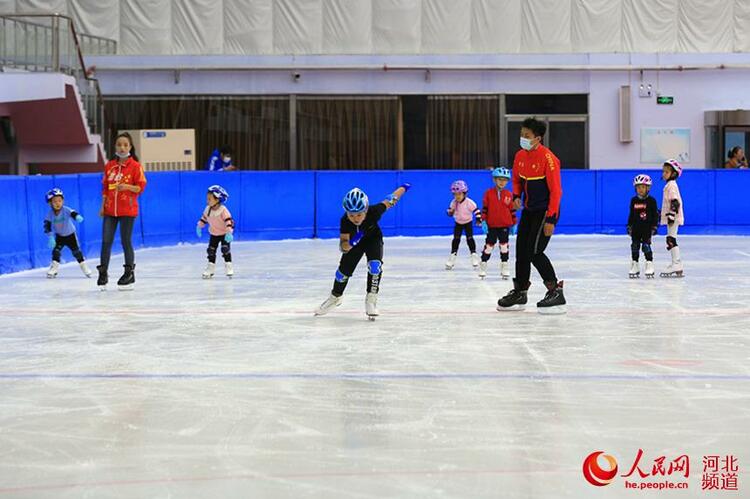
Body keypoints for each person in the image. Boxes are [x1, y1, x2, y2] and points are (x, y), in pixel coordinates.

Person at [497, 117, 565, 314]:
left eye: (527, 136)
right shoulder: (519, 156)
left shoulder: (549, 159)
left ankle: (556, 291)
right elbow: (517, 180)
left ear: (538, 138)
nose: (523, 138)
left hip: (545, 211)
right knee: (522, 252)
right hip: (529, 209)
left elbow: (556, 191)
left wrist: (551, 219)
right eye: (521, 135)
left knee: (535, 251)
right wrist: (517, 196)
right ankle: (520, 291)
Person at [314, 183, 411, 320]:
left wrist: (404, 187)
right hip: (355, 245)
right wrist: (350, 244)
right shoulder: (345, 221)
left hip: (373, 239)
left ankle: (371, 299)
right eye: (351, 215)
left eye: (359, 214)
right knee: (342, 274)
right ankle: (335, 297)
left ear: (365, 210)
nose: (356, 218)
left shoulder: (375, 211)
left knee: (375, 266)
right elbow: (343, 245)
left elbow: (391, 199)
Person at [98, 132, 147, 290]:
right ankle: (103, 273)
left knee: (126, 241)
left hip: (128, 209)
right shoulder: (109, 166)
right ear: (115, 147)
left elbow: (140, 187)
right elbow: (105, 188)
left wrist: (126, 187)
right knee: (106, 242)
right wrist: (102, 206)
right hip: (110, 210)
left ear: (130, 147)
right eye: (119, 144)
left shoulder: (135, 167)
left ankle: (129, 273)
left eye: (125, 144)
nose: (122, 147)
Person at [43, 188, 91, 278]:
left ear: (63, 201)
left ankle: (85, 267)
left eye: (60, 201)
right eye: (55, 202)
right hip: (60, 236)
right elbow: (47, 226)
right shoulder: (50, 214)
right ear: (50, 203)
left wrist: (77, 217)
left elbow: (73, 213)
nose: (58, 203)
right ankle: (54, 269)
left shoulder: (65, 210)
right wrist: (50, 237)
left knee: (76, 252)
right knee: (56, 252)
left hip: (70, 235)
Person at [479, 167, 516, 280]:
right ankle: (483, 264)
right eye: (499, 179)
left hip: (504, 225)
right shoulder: (488, 193)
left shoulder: (509, 194)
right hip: (492, 225)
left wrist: (514, 223)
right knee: (489, 246)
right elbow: (484, 209)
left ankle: (504, 266)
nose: (502, 182)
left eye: (504, 180)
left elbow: (512, 209)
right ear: (494, 180)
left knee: (504, 246)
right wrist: (484, 221)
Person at [196, 185, 234, 279]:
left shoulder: (223, 210)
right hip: (214, 234)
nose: (207, 201)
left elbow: (229, 222)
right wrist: (199, 227)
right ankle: (210, 268)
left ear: (217, 199)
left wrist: (229, 232)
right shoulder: (207, 209)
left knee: (225, 249)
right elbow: (203, 219)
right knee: (211, 251)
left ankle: (229, 266)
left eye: (209, 199)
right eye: (207, 198)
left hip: (224, 234)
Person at [627, 174, 659, 279]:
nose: (640, 189)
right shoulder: (633, 200)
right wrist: (629, 225)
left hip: (647, 228)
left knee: (646, 246)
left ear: (648, 188)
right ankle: (635, 264)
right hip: (636, 228)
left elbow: (655, 215)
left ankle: (649, 264)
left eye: (643, 187)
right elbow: (631, 214)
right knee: (635, 247)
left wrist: (654, 226)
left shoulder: (651, 201)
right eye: (638, 187)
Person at [445, 180, 481, 270]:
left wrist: (478, 220)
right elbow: (449, 211)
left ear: (465, 193)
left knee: (470, 239)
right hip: (458, 223)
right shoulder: (453, 202)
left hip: (468, 223)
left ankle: (474, 255)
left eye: (459, 194)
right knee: (456, 239)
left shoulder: (469, 202)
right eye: (455, 194)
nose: (457, 196)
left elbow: (477, 211)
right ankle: (452, 256)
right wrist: (450, 212)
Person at [660, 159, 685, 277]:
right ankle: (676, 263)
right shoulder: (669, 185)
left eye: (666, 172)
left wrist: (671, 214)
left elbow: (675, 202)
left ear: (673, 174)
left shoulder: (671, 186)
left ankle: (676, 263)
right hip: (672, 216)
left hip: (673, 217)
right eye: (663, 171)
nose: (663, 174)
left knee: (671, 239)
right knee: (670, 239)